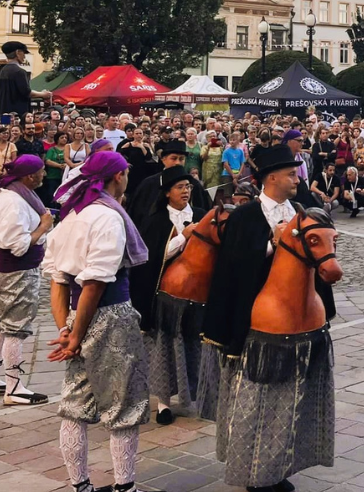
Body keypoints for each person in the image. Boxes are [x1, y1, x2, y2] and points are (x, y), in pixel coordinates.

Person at [202, 144, 338, 492]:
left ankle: (278, 467)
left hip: (299, 319)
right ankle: (253, 470)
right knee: (256, 398)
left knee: (291, 397)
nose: (297, 178)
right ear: (272, 177)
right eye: (292, 174)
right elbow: (231, 268)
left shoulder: (303, 211)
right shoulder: (246, 217)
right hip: (256, 321)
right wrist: (272, 244)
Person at [43, 151, 151, 492]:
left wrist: (66, 328)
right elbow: (96, 283)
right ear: (117, 177)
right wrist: (75, 336)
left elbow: (58, 281)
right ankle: (125, 487)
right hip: (111, 316)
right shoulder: (107, 217)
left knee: (76, 405)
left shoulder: (69, 217)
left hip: (77, 315)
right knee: (124, 404)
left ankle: (81, 486)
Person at [132, 166, 207, 426]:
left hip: (196, 293)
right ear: (167, 193)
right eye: (179, 187)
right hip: (164, 296)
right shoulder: (156, 221)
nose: (185, 191)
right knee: (165, 346)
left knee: (195, 344)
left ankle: (198, 395)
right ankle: (164, 402)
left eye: (188, 186)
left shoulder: (201, 215)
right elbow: (151, 259)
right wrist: (182, 238)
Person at [0, 155, 54, 405]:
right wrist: (43, 227)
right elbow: (18, 245)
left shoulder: (15, 193)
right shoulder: (14, 200)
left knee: (2, 323)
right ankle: (14, 386)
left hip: (13, 270)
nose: (44, 175)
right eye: (42, 171)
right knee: (15, 328)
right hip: (18, 270)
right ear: (30, 175)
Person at [0, 41, 51, 117]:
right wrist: (44, 94)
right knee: (18, 128)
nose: (24, 56)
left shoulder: (2, 71)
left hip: (3, 113)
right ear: (17, 52)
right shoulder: (19, 72)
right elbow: (26, 92)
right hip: (18, 114)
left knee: (5, 127)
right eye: (23, 53)